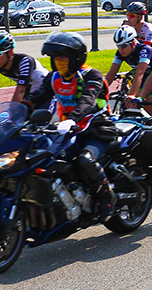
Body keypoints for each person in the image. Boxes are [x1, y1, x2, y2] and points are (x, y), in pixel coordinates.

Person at [23, 32, 119, 222]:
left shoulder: (91, 75)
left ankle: (107, 200)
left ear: (76, 58)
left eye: (63, 59)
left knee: (85, 160)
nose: (59, 63)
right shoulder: (54, 78)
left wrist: (72, 119)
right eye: (55, 59)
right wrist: (21, 110)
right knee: (42, 158)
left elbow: (87, 101)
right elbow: (39, 96)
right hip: (68, 131)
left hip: (97, 129)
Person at [0, 31, 50, 122]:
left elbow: (20, 90)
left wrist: (11, 114)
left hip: (46, 90)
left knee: (38, 123)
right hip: (29, 91)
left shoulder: (25, 61)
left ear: (10, 52)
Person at [105, 25, 152, 120]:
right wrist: (100, 90)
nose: (121, 49)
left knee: (148, 107)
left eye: (123, 46)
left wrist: (131, 95)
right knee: (130, 105)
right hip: (145, 78)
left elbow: (140, 73)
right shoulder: (120, 53)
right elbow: (111, 73)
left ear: (132, 43)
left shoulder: (144, 50)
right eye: (118, 46)